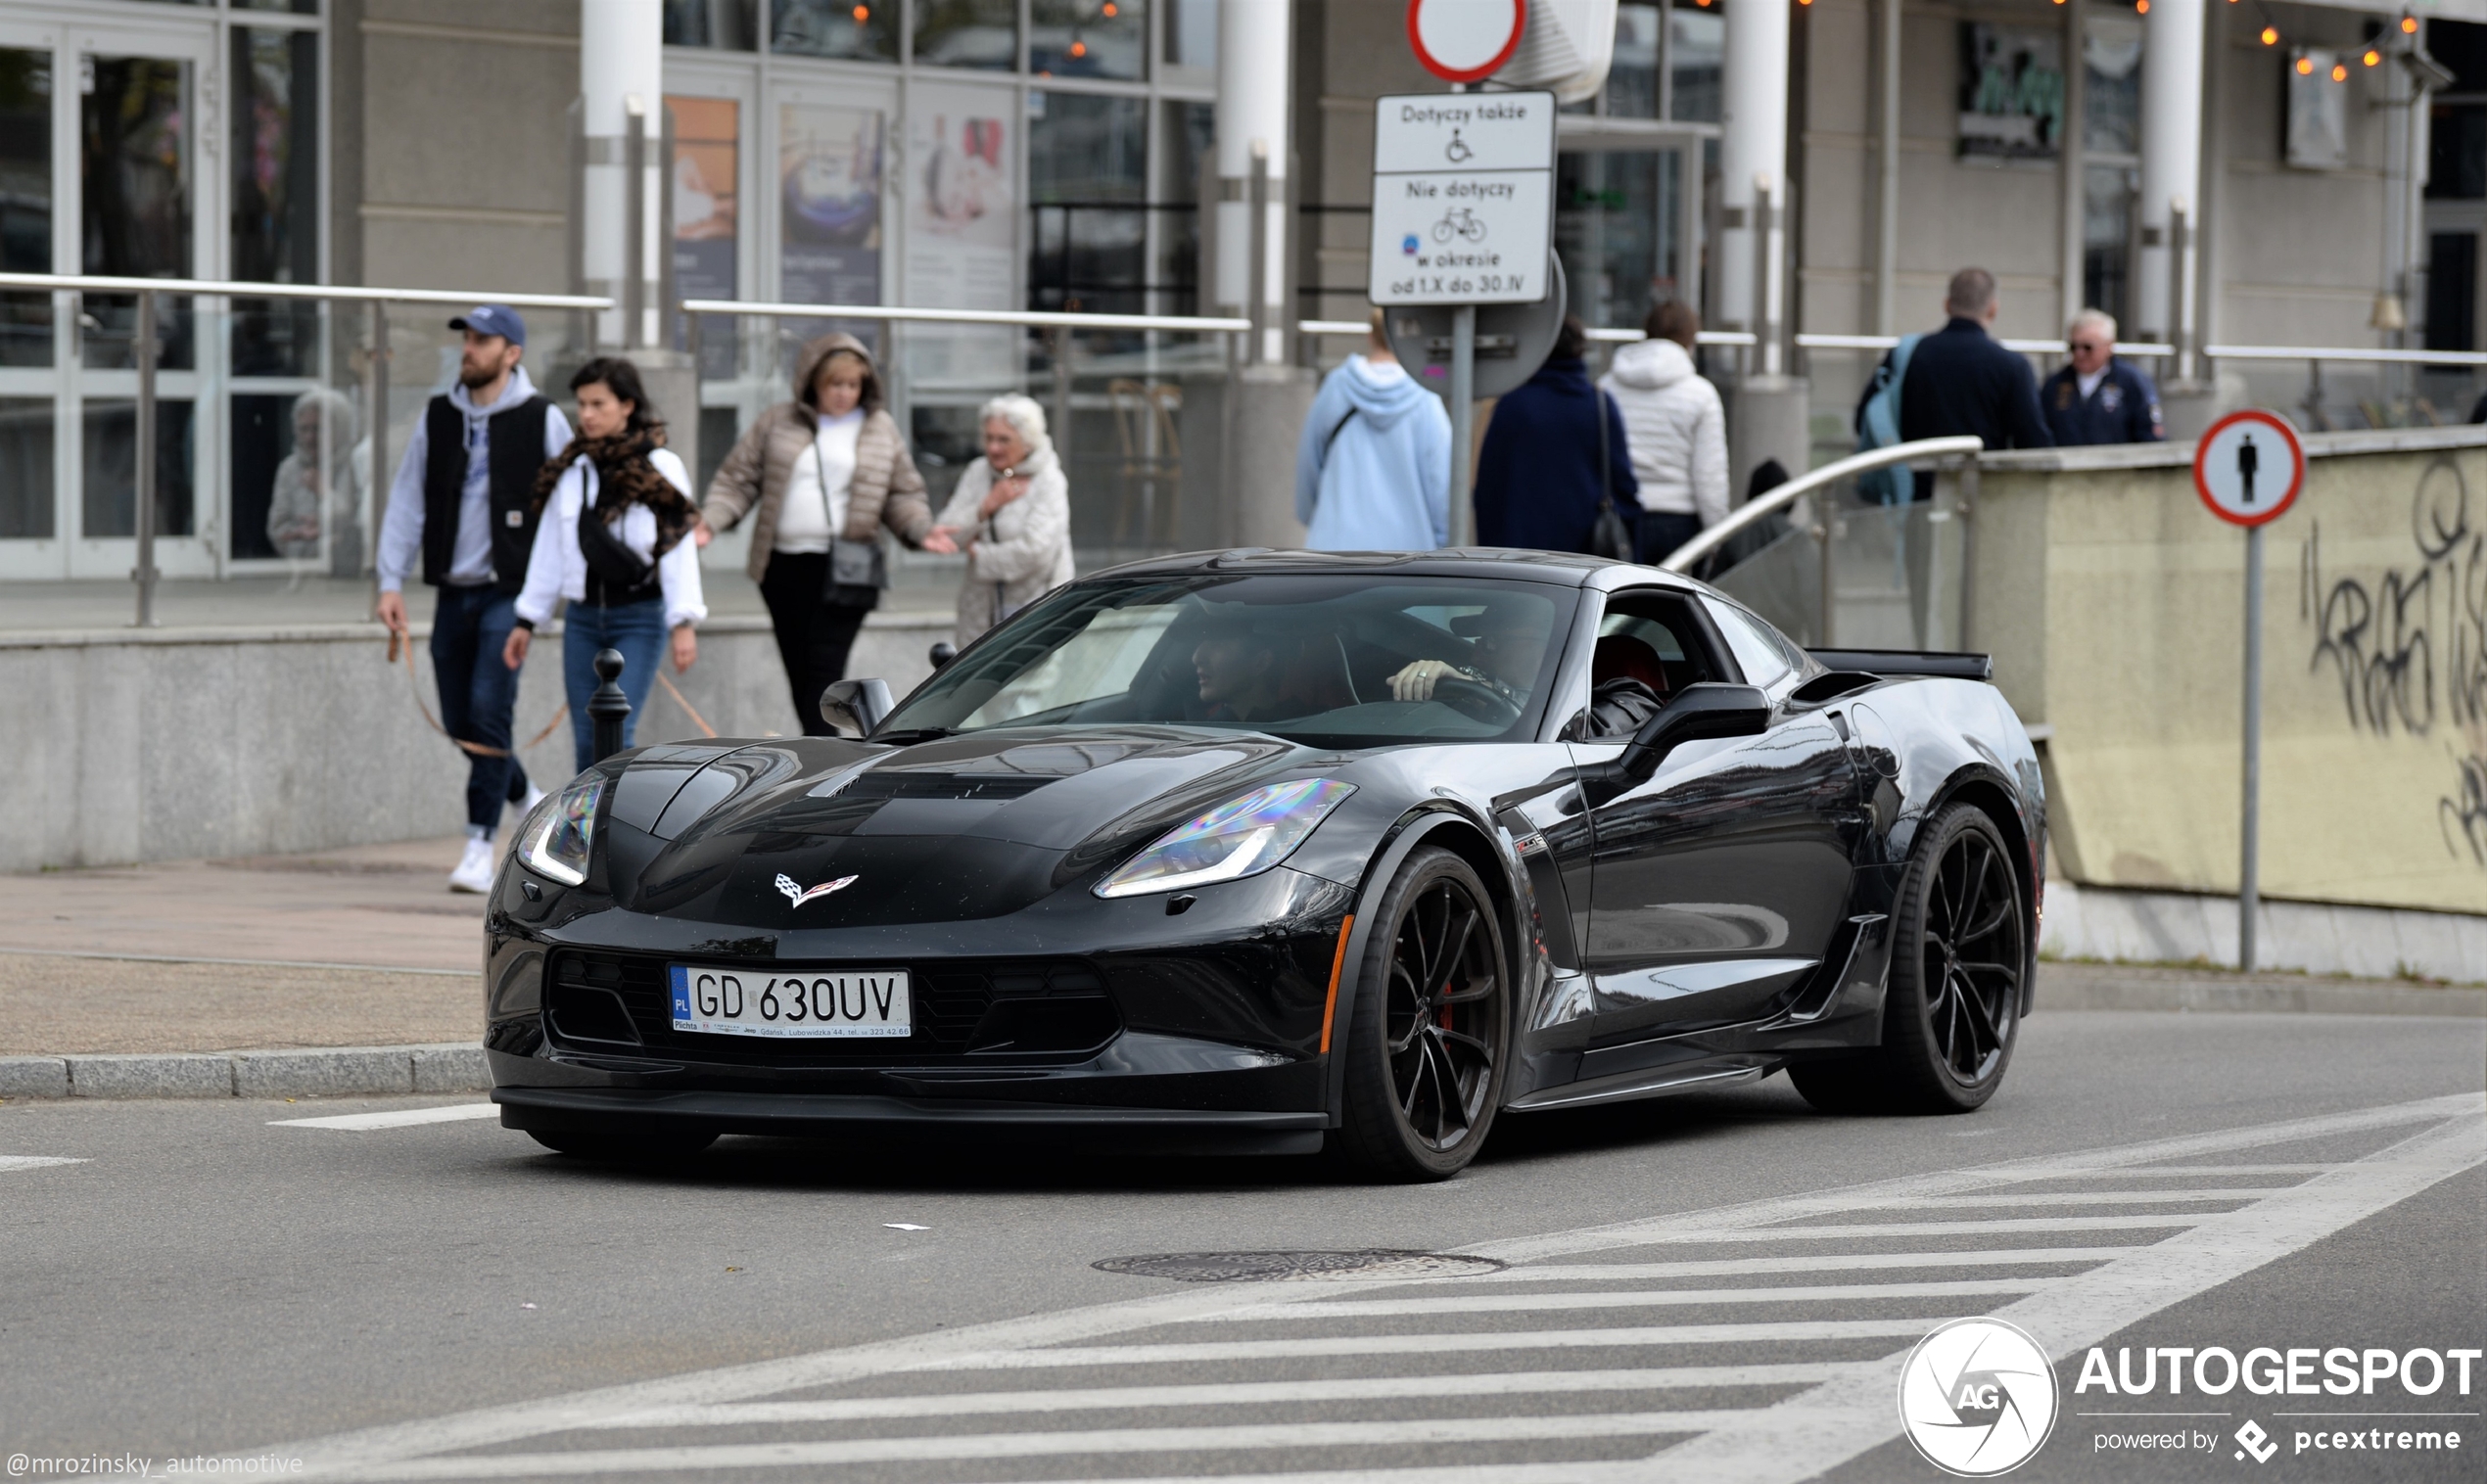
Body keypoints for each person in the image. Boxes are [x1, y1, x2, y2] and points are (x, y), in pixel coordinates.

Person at [374, 304, 571, 895]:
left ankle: (480, 845)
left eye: (484, 340)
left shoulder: (544, 419)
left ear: (512, 352)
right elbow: (408, 499)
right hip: (452, 593)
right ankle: (526, 797)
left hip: (508, 594)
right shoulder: (438, 417)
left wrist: (545, 598)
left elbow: (565, 511)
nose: (469, 349)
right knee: (460, 720)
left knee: (488, 712)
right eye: (467, 338)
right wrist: (390, 580)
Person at [698, 333, 935, 736]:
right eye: (835, 384)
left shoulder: (879, 428)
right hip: (783, 567)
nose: (844, 394)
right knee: (799, 671)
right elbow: (738, 479)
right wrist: (710, 521)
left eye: (853, 385)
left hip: (846, 569)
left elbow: (902, 493)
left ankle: (823, 761)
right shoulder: (778, 421)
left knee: (825, 671)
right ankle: (821, 749)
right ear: (812, 382)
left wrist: (921, 530)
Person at [502, 358, 706, 772]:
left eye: (599, 403)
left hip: (638, 616)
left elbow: (677, 545)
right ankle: (586, 832)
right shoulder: (573, 468)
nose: (588, 414)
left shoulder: (660, 466)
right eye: (582, 404)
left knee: (616, 731)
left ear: (627, 405)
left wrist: (682, 620)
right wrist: (527, 619)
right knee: (585, 735)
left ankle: (613, 832)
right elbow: (550, 547)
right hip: (581, 620)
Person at [1473, 316, 1637, 554]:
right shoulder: (1599, 404)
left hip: (1518, 559)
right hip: (1585, 560)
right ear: (1579, 351)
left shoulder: (1512, 405)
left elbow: (1488, 489)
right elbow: (1624, 487)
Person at [1293, 307, 1451, 550]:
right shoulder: (1424, 397)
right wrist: (1442, 542)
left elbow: (1309, 464)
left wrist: (1312, 517)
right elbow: (1441, 482)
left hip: (1332, 549)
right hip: (1408, 557)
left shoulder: (1336, 386)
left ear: (1370, 336)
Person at [925, 393, 1073, 649]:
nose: (994, 448)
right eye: (989, 438)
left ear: (1027, 442)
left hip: (1034, 609)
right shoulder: (977, 472)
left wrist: (980, 555)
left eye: (1004, 439)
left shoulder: (1048, 479)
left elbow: (1036, 551)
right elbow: (947, 533)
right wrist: (987, 505)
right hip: (979, 612)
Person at [1858, 267, 2053, 453]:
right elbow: (2033, 443)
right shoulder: (2012, 366)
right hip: (1982, 484)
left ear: (1947, 304)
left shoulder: (1905, 355)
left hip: (1911, 483)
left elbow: (1864, 420)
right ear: (1993, 308)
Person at [1601, 301, 1728, 564]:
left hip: (1618, 518)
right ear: (1690, 340)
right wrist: (1717, 535)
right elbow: (1709, 477)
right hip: (1680, 523)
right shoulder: (1701, 394)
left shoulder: (1605, 387)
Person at [1386, 598, 1554, 711]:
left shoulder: (1574, 696)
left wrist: (1486, 692)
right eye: (1480, 640)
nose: (1475, 656)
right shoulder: (1468, 695)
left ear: (1548, 645)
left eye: (1491, 642)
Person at [264, 389, 364, 575]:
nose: (310, 438)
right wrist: (303, 534)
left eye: (318, 429)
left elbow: (359, 525)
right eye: (304, 429)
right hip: (297, 576)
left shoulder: (355, 463)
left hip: (349, 581)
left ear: (338, 428)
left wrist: (323, 491)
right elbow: (277, 530)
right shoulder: (289, 469)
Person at [2040, 309, 2166, 445]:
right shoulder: (2056, 384)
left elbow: (2150, 434)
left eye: (2088, 347)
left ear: (2108, 346)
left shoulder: (2132, 381)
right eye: (2073, 347)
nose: (2079, 353)